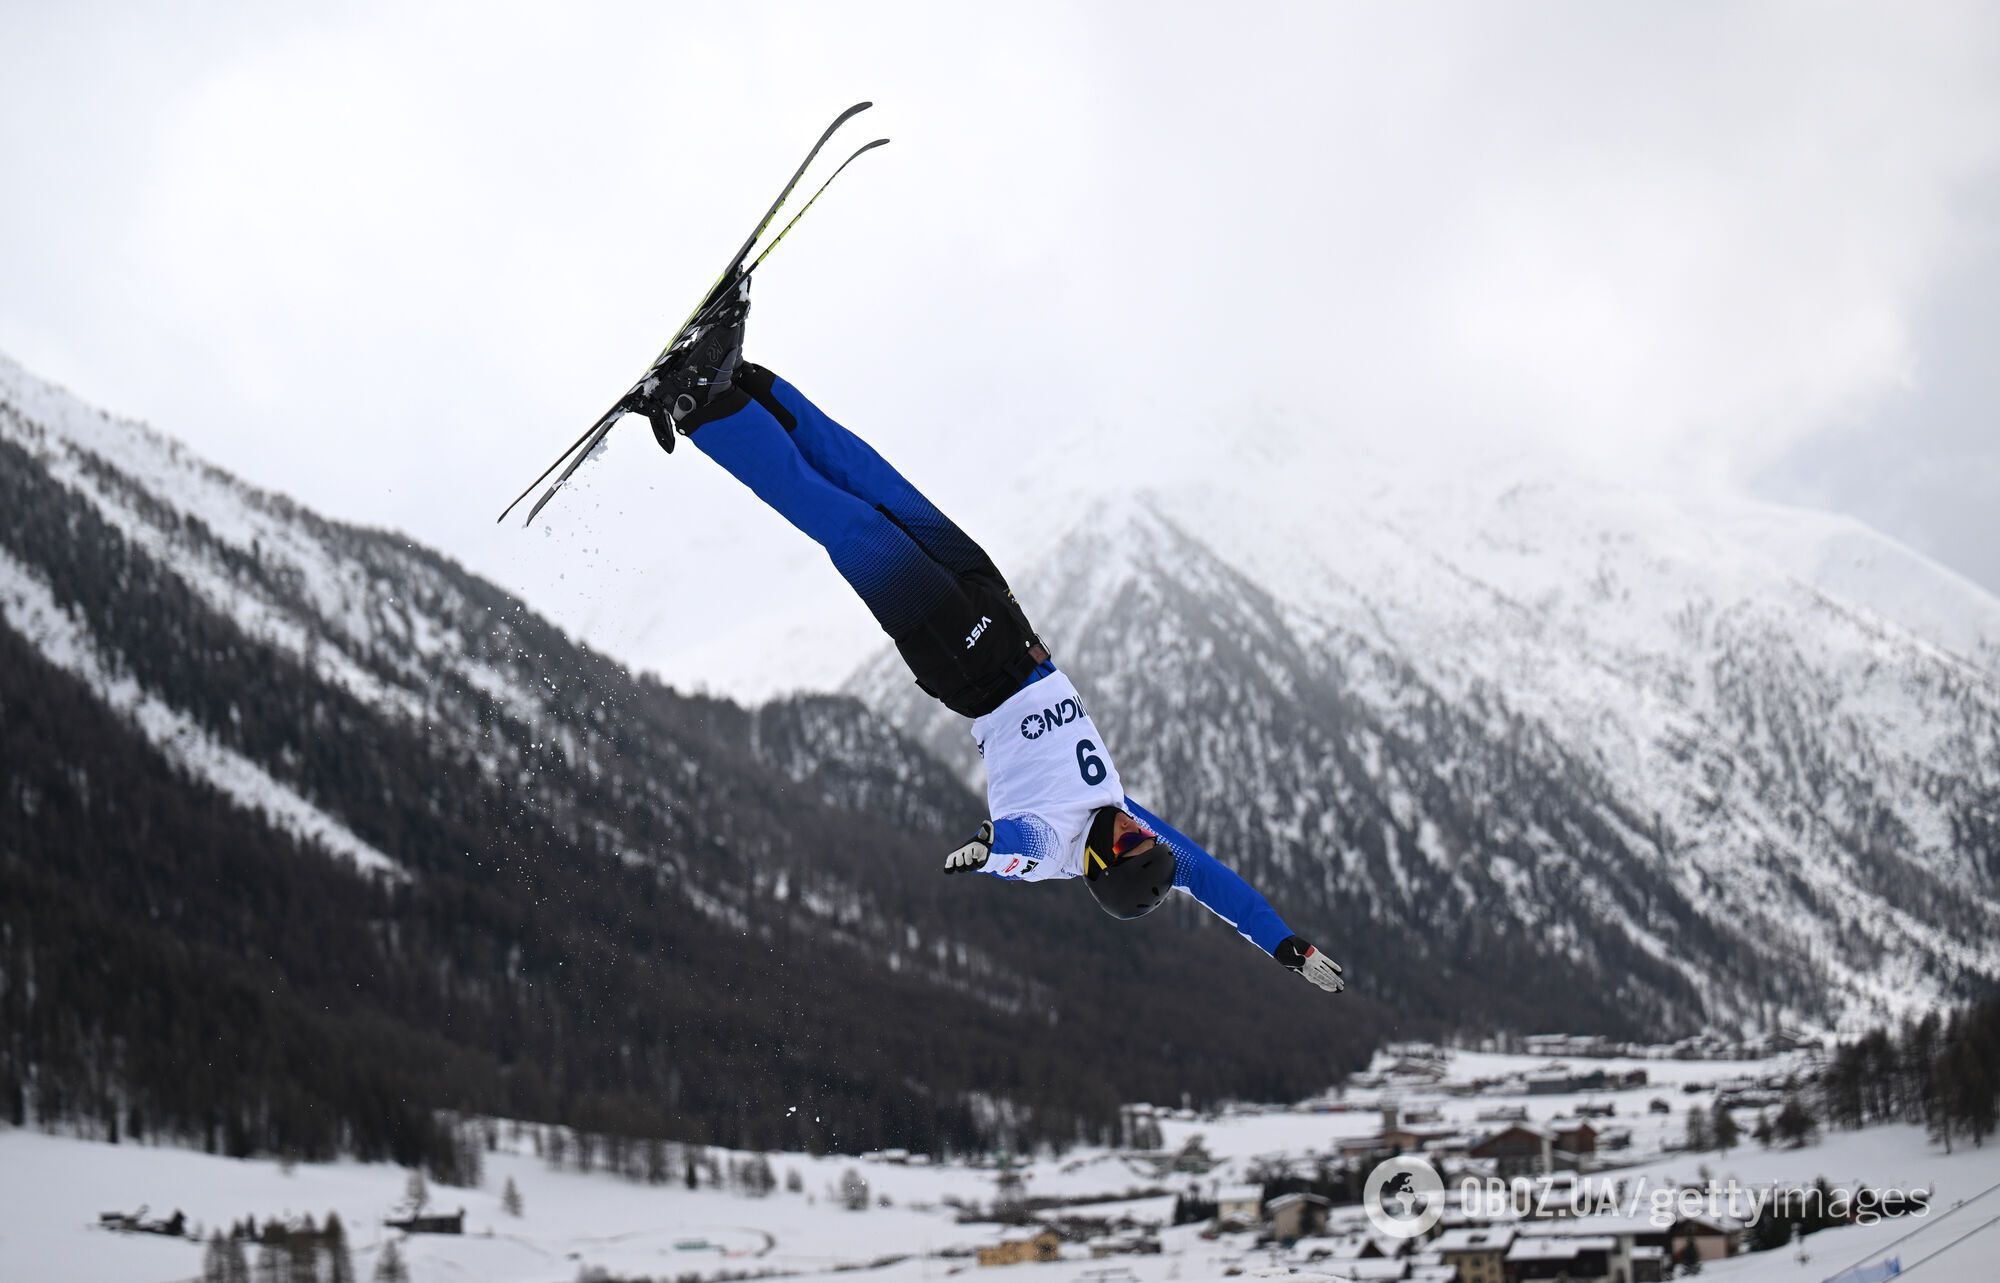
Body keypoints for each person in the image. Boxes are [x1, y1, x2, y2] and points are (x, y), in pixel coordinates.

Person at [632, 279, 1343, 994]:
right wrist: (1285, 943)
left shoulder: (1055, 845)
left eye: (1127, 843)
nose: (1133, 829)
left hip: (969, 662)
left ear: (1099, 868)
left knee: (849, 525)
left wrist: (987, 844)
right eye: (1145, 835)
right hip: (1007, 622)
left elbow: (1017, 847)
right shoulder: (1120, 817)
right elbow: (1212, 879)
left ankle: (700, 407)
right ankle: (738, 378)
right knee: (876, 483)